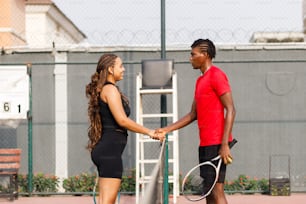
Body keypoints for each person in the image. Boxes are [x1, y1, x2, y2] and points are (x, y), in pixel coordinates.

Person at [156, 39, 236, 204]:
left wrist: (224, 145)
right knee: (208, 191)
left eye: (193, 54)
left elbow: (231, 109)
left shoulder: (217, 75)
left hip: (217, 144)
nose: (190, 58)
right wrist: (166, 129)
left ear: (205, 55)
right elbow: (193, 114)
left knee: (216, 190)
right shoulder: (200, 81)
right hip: (205, 144)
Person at [85, 53, 164, 204]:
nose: (124, 69)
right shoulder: (110, 90)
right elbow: (122, 120)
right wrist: (149, 132)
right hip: (109, 153)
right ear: (110, 69)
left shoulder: (108, 89)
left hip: (107, 151)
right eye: (120, 66)